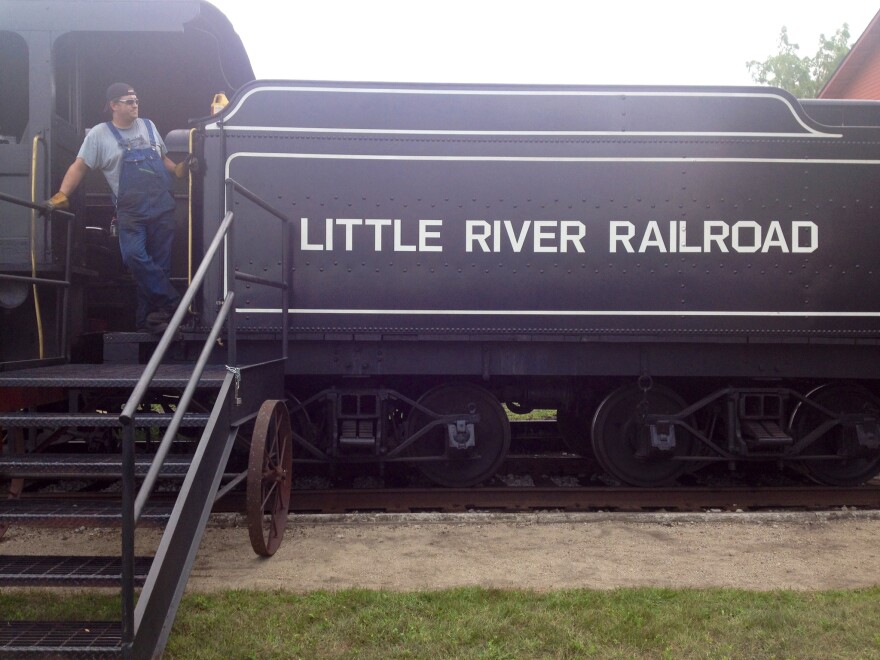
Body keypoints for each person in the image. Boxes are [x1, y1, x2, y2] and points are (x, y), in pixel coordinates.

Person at [44, 83, 193, 333]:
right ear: (113, 105)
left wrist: (177, 169)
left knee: (160, 266)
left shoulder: (149, 126)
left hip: (162, 208)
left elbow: (162, 158)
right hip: (131, 212)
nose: (135, 104)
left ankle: (149, 320)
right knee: (133, 256)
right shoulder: (99, 135)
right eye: (129, 101)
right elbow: (79, 166)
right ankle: (175, 303)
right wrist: (61, 194)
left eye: (136, 100)